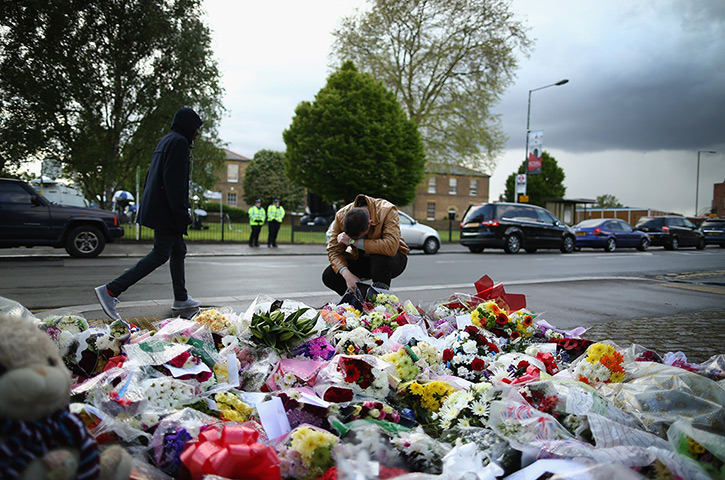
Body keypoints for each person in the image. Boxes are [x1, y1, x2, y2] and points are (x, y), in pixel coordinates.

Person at [94, 107, 203, 321]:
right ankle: (111, 290)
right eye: (197, 128)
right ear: (189, 126)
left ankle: (181, 298)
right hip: (167, 212)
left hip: (159, 208)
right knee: (161, 253)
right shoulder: (179, 143)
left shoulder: (167, 140)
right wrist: (182, 214)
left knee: (178, 249)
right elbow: (175, 184)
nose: (198, 133)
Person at [322, 194, 409, 296]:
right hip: (361, 258)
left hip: (392, 259)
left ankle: (380, 297)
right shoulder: (341, 215)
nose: (355, 239)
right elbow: (334, 251)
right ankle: (360, 298)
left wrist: (353, 242)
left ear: (370, 223)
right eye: (353, 238)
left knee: (379, 256)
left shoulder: (387, 210)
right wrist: (347, 274)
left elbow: (391, 247)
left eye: (358, 237)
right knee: (329, 276)